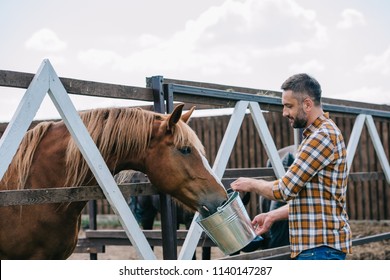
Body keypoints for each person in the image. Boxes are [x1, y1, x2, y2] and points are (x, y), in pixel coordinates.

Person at [231, 73, 352, 260]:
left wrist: (251, 183)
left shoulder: (321, 137)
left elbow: (284, 190)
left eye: (289, 106)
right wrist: (272, 215)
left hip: (318, 250)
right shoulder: (318, 135)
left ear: (307, 104)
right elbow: (313, 201)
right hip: (318, 248)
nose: (284, 112)